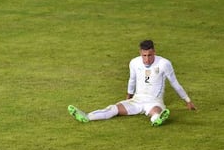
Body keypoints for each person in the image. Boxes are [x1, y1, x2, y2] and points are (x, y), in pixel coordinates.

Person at [68, 40, 196, 126]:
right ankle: (86, 116)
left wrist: (187, 100)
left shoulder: (164, 63)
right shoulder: (134, 62)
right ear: (140, 53)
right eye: (144, 55)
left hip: (154, 101)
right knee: (113, 108)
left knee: (156, 112)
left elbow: (175, 83)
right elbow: (132, 80)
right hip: (137, 100)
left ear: (154, 52)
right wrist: (128, 98)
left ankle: (157, 119)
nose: (147, 59)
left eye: (149, 55)